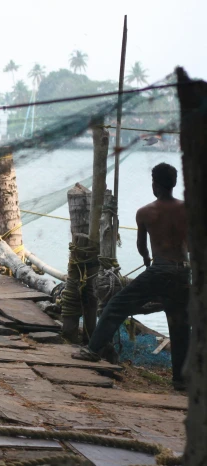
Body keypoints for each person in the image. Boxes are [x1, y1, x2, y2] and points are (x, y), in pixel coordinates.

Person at [72, 163, 190, 390]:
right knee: (180, 325)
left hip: (159, 269)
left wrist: (148, 261)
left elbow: (142, 247)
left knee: (117, 305)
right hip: (182, 272)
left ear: (155, 184)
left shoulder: (145, 212)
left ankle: (92, 350)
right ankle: (180, 380)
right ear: (174, 184)